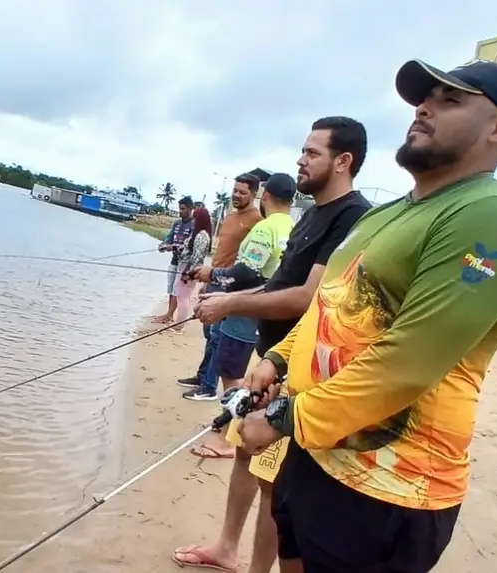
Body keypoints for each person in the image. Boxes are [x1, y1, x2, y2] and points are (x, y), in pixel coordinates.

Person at [238, 59, 497, 573]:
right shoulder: (385, 214)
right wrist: (277, 357)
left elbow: (408, 360)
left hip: (387, 483)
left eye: (451, 100)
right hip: (314, 448)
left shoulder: (496, 218)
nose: (424, 107)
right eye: (424, 98)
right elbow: (330, 304)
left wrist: (282, 418)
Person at [172, 117, 371, 573]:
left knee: (272, 481)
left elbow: (310, 297)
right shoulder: (312, 214)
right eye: (302, 150)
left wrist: (229, 304)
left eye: (312, 152)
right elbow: (280, 281)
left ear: (344, 161)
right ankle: (226, 547)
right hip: (274, 359)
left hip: (301, 370)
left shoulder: (352, 216)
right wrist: (231, 297)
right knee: (245, 449)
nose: (300, 160)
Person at [183, 173, 297, 405]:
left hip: (245, 308)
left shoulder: (266, 227)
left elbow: (247, 273)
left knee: (231, 374)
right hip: (272, 309)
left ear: (263, 196)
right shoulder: (294, 227)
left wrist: (212, 274)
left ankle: (226, 432)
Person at [176, 174, 262, 389]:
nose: (237, 195)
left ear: (254, 195)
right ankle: (203, 374)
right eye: (235, 190)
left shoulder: (257, 220)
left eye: (243, 192)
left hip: (229, 283)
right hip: (213, 277)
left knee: (216, 336)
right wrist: (207, 279)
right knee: (208, 332)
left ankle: (208, 386)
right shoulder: (230, 217)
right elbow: (221, 250)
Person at [171, 207, 213, 333]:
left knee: (183, 297)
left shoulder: (202, 236)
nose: (193, 221)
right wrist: (171, 247)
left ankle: (179, 326)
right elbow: (186, 249)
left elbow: (197, 257)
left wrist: (188, 274)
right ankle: (178, 323)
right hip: (186, 268)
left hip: (191, 271)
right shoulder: (197, 233)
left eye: (196, 218)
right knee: (181, 295)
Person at [153, 196, 194, 324]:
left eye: (183, 209)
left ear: (190, 209)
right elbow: (169, 238)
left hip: (185, 263)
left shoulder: (194, 225)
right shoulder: (177, 223)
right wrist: (163, 245)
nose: (180, 211)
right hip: (174, 260)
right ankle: (169, 314)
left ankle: (170, 315)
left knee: (177, 289)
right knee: (170, 288)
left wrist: (172, 247)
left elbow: (190, 246)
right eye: (179, 208)